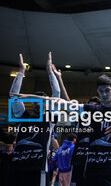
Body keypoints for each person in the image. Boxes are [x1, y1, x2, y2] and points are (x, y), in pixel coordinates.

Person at [9, 53, 60, 186]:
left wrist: (50, 72)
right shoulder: (23, 116)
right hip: (17, 167)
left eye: (39, 101)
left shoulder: (49, 118)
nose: (36, 103)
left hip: (38, 169)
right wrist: (21, 71)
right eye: (34, 101)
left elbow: (57, 95)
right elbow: (13, 95)